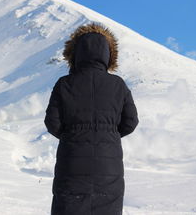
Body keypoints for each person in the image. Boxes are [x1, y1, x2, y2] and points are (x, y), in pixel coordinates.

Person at [44, 22, 139, 215]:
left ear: (74, 54)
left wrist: (71, 136)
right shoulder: (118, 85)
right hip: (108, 168)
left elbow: (52, 122)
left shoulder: (64, 84)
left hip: (71, 164)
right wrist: (109, 134)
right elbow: (131, 122)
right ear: (108, 55)